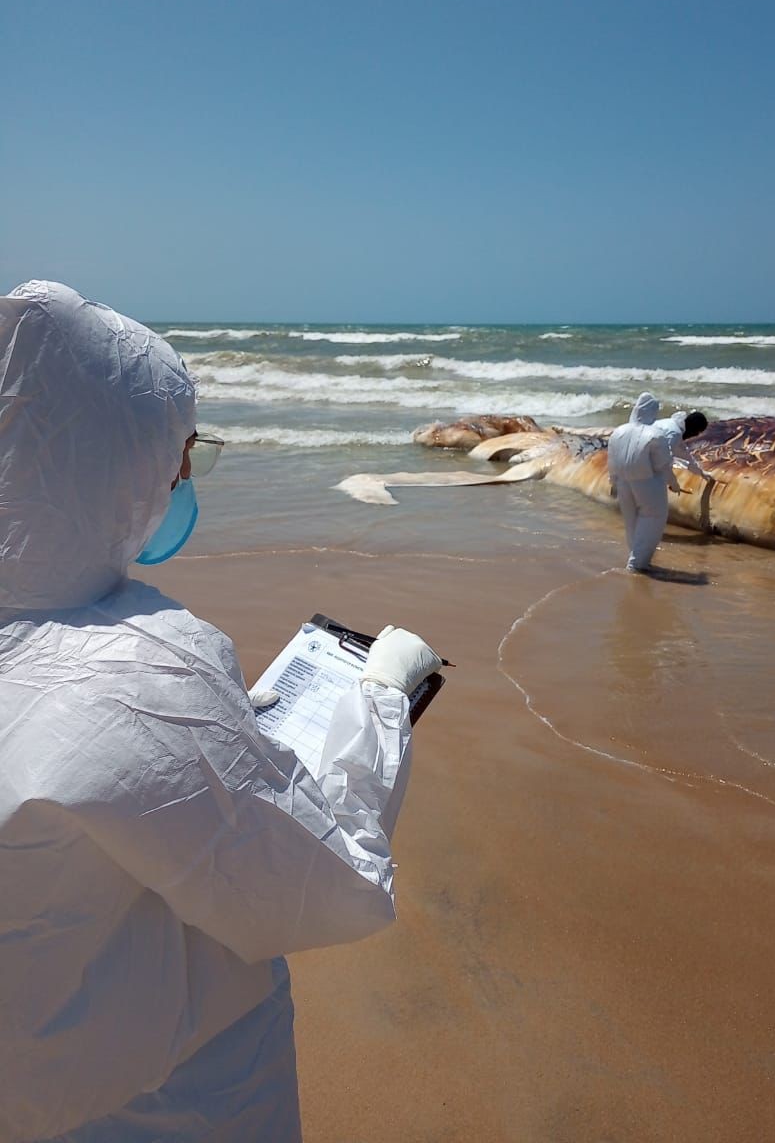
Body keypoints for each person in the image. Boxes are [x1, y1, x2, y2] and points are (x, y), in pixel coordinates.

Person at [0, 281, 442, 1143]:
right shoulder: (143, 669)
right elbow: (328, 887)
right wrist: (385, 698)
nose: (179, 479)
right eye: (176, 453)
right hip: (168, 1104)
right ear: (113, 458)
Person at [606, 391, 677, 572]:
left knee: (631, 520)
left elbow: (612, 461)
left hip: (623, 482)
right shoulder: (656, 434)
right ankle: (637, 563)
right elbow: (663, 465)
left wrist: (612, 482)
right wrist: (673, 483)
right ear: (652, 411)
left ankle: (635, 554)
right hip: (647, 482)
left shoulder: (618, 431)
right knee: (653, 517)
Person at [654, 409, 714, 483]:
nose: (696, 435)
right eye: (697, 432)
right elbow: (664, 460)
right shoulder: (675, 434)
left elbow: (686, 456)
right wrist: (672, 482)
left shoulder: (672, 424)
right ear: (693, 428)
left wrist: (701, 473)